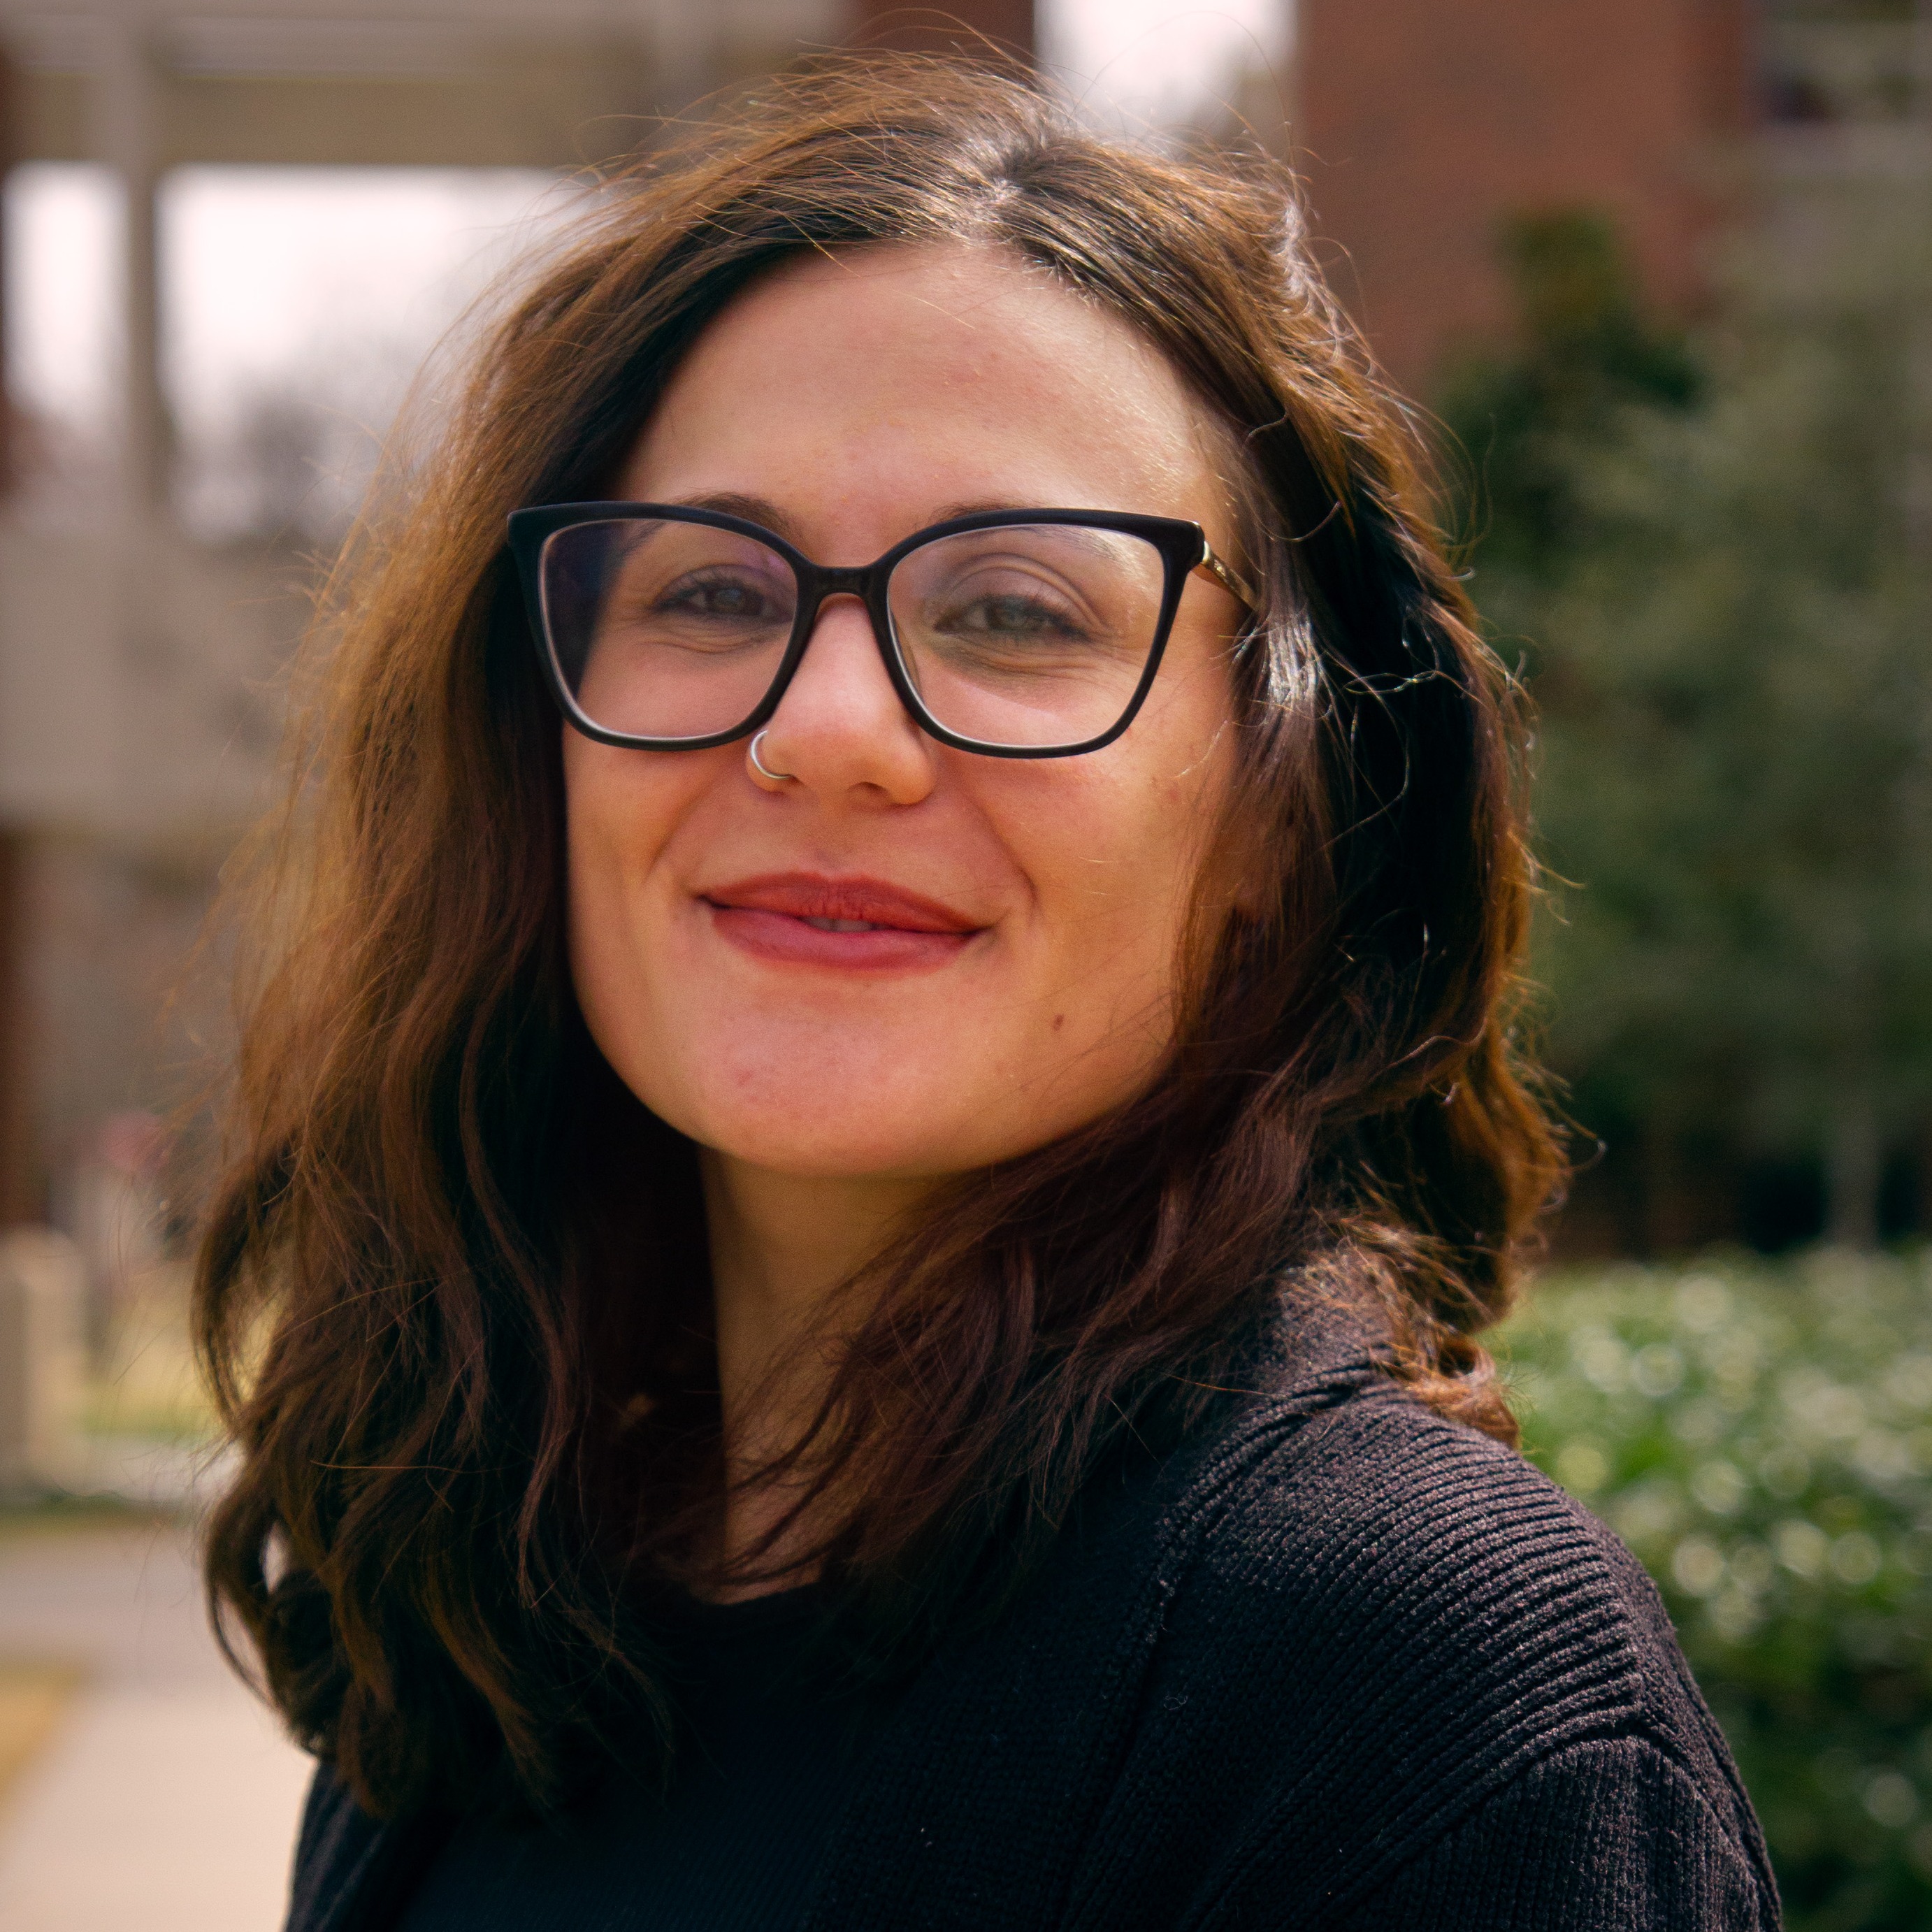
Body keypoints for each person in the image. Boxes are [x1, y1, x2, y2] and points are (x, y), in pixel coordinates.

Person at [196, 58, 1779, 1932]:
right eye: (709, 591)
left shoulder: (1412, 1694)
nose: (825, 728)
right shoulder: (480, 1636)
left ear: (1282, 807)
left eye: (1016, 608)